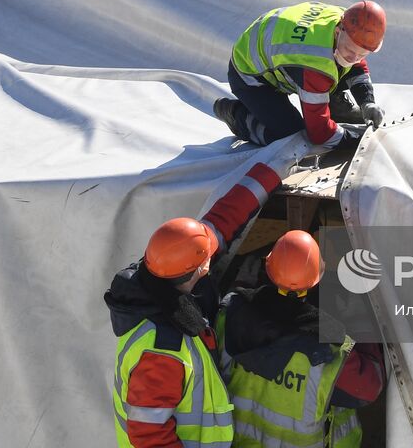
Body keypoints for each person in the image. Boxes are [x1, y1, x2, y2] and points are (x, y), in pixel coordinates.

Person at [106, 160, 284, 448]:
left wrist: (274, 169)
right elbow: (148, 436)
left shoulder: (159, 270)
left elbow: (221, 223)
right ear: (201, 269)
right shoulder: (163, 351)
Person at [219, 230, 386, 448]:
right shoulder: (329, 349)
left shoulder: (228, 315)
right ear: (320, 275)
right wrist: (360, 321)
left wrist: (242, 286)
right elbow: (369, 386)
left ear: (268, 268)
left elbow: (237, 310)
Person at [214, 1, 386, 149]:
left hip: (277, 52)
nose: (354, 58)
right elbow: (320, 135)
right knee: (292, 138)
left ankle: (333, 105)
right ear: (338, 31)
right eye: (350, 50)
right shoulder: (314, 61)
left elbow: (356, 66)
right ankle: (237, 116)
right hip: (250, 74)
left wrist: (367, 102)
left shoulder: (348, 19)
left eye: (362, 54)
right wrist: (358, 142)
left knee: (342, 63)